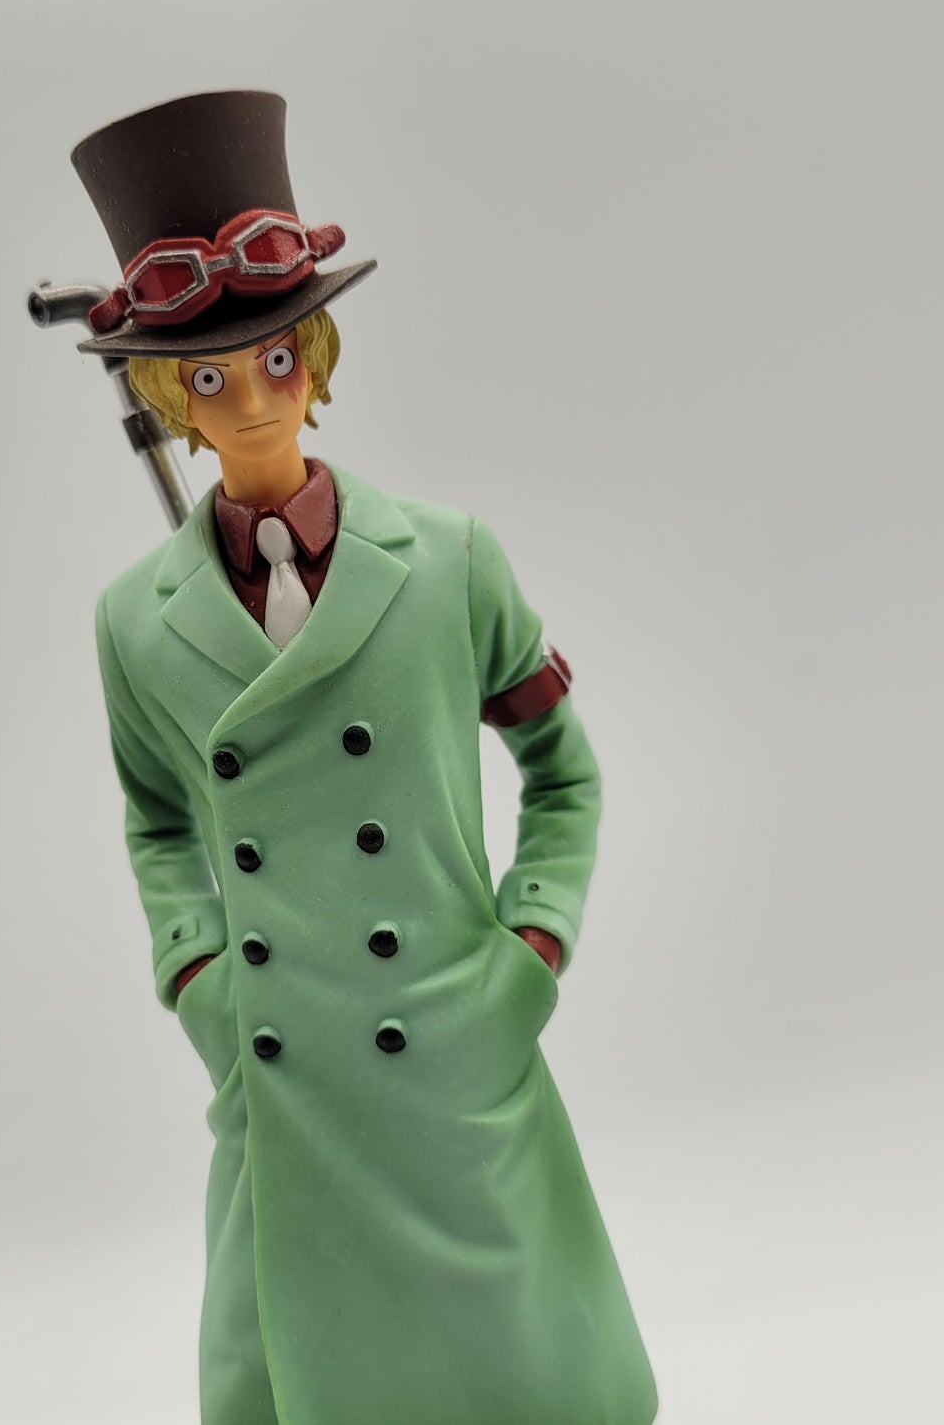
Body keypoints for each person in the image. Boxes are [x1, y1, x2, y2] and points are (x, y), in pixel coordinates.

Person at [74, 89, 657, 1425]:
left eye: (277, 358)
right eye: (208, 377)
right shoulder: (133, 624)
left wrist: (528, 952)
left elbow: (562, 769)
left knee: (525, 1367)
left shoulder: (449, 560)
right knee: (294, 1363)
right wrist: (201, 982)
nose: (251, 401)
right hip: (282, 1071)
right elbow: (156, 823)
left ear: (318, 356)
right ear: (166, 399)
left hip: (452, 1039)